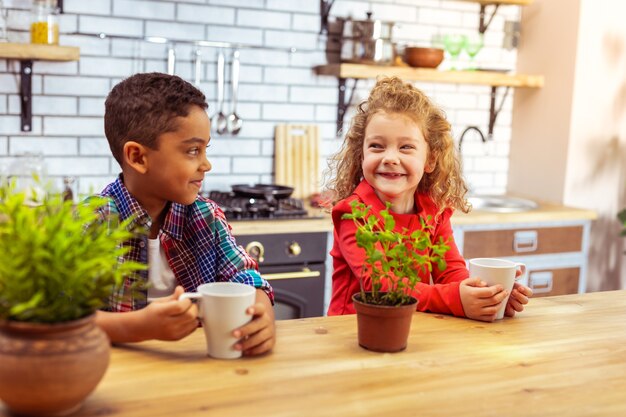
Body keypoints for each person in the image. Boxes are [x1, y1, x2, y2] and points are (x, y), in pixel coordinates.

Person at [94, 72, 275, 355]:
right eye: (192, 150)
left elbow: (247, 280)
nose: (206, 164)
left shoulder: (206, 217)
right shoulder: (91, 223)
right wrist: (137, 326)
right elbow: (55, 320)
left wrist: (262, 313)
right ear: (138, 157)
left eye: (205, 149)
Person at [326, 76, 532, 322]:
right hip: (351, 330)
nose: (390, 157)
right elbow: (378, 284)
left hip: (410, 326)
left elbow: (451, 271)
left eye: (406, 147)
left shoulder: (434, 212)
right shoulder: (354, 213)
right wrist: (456, 299)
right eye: (377, 146)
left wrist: (488, 295)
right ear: (361, 155)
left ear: (430, 160)